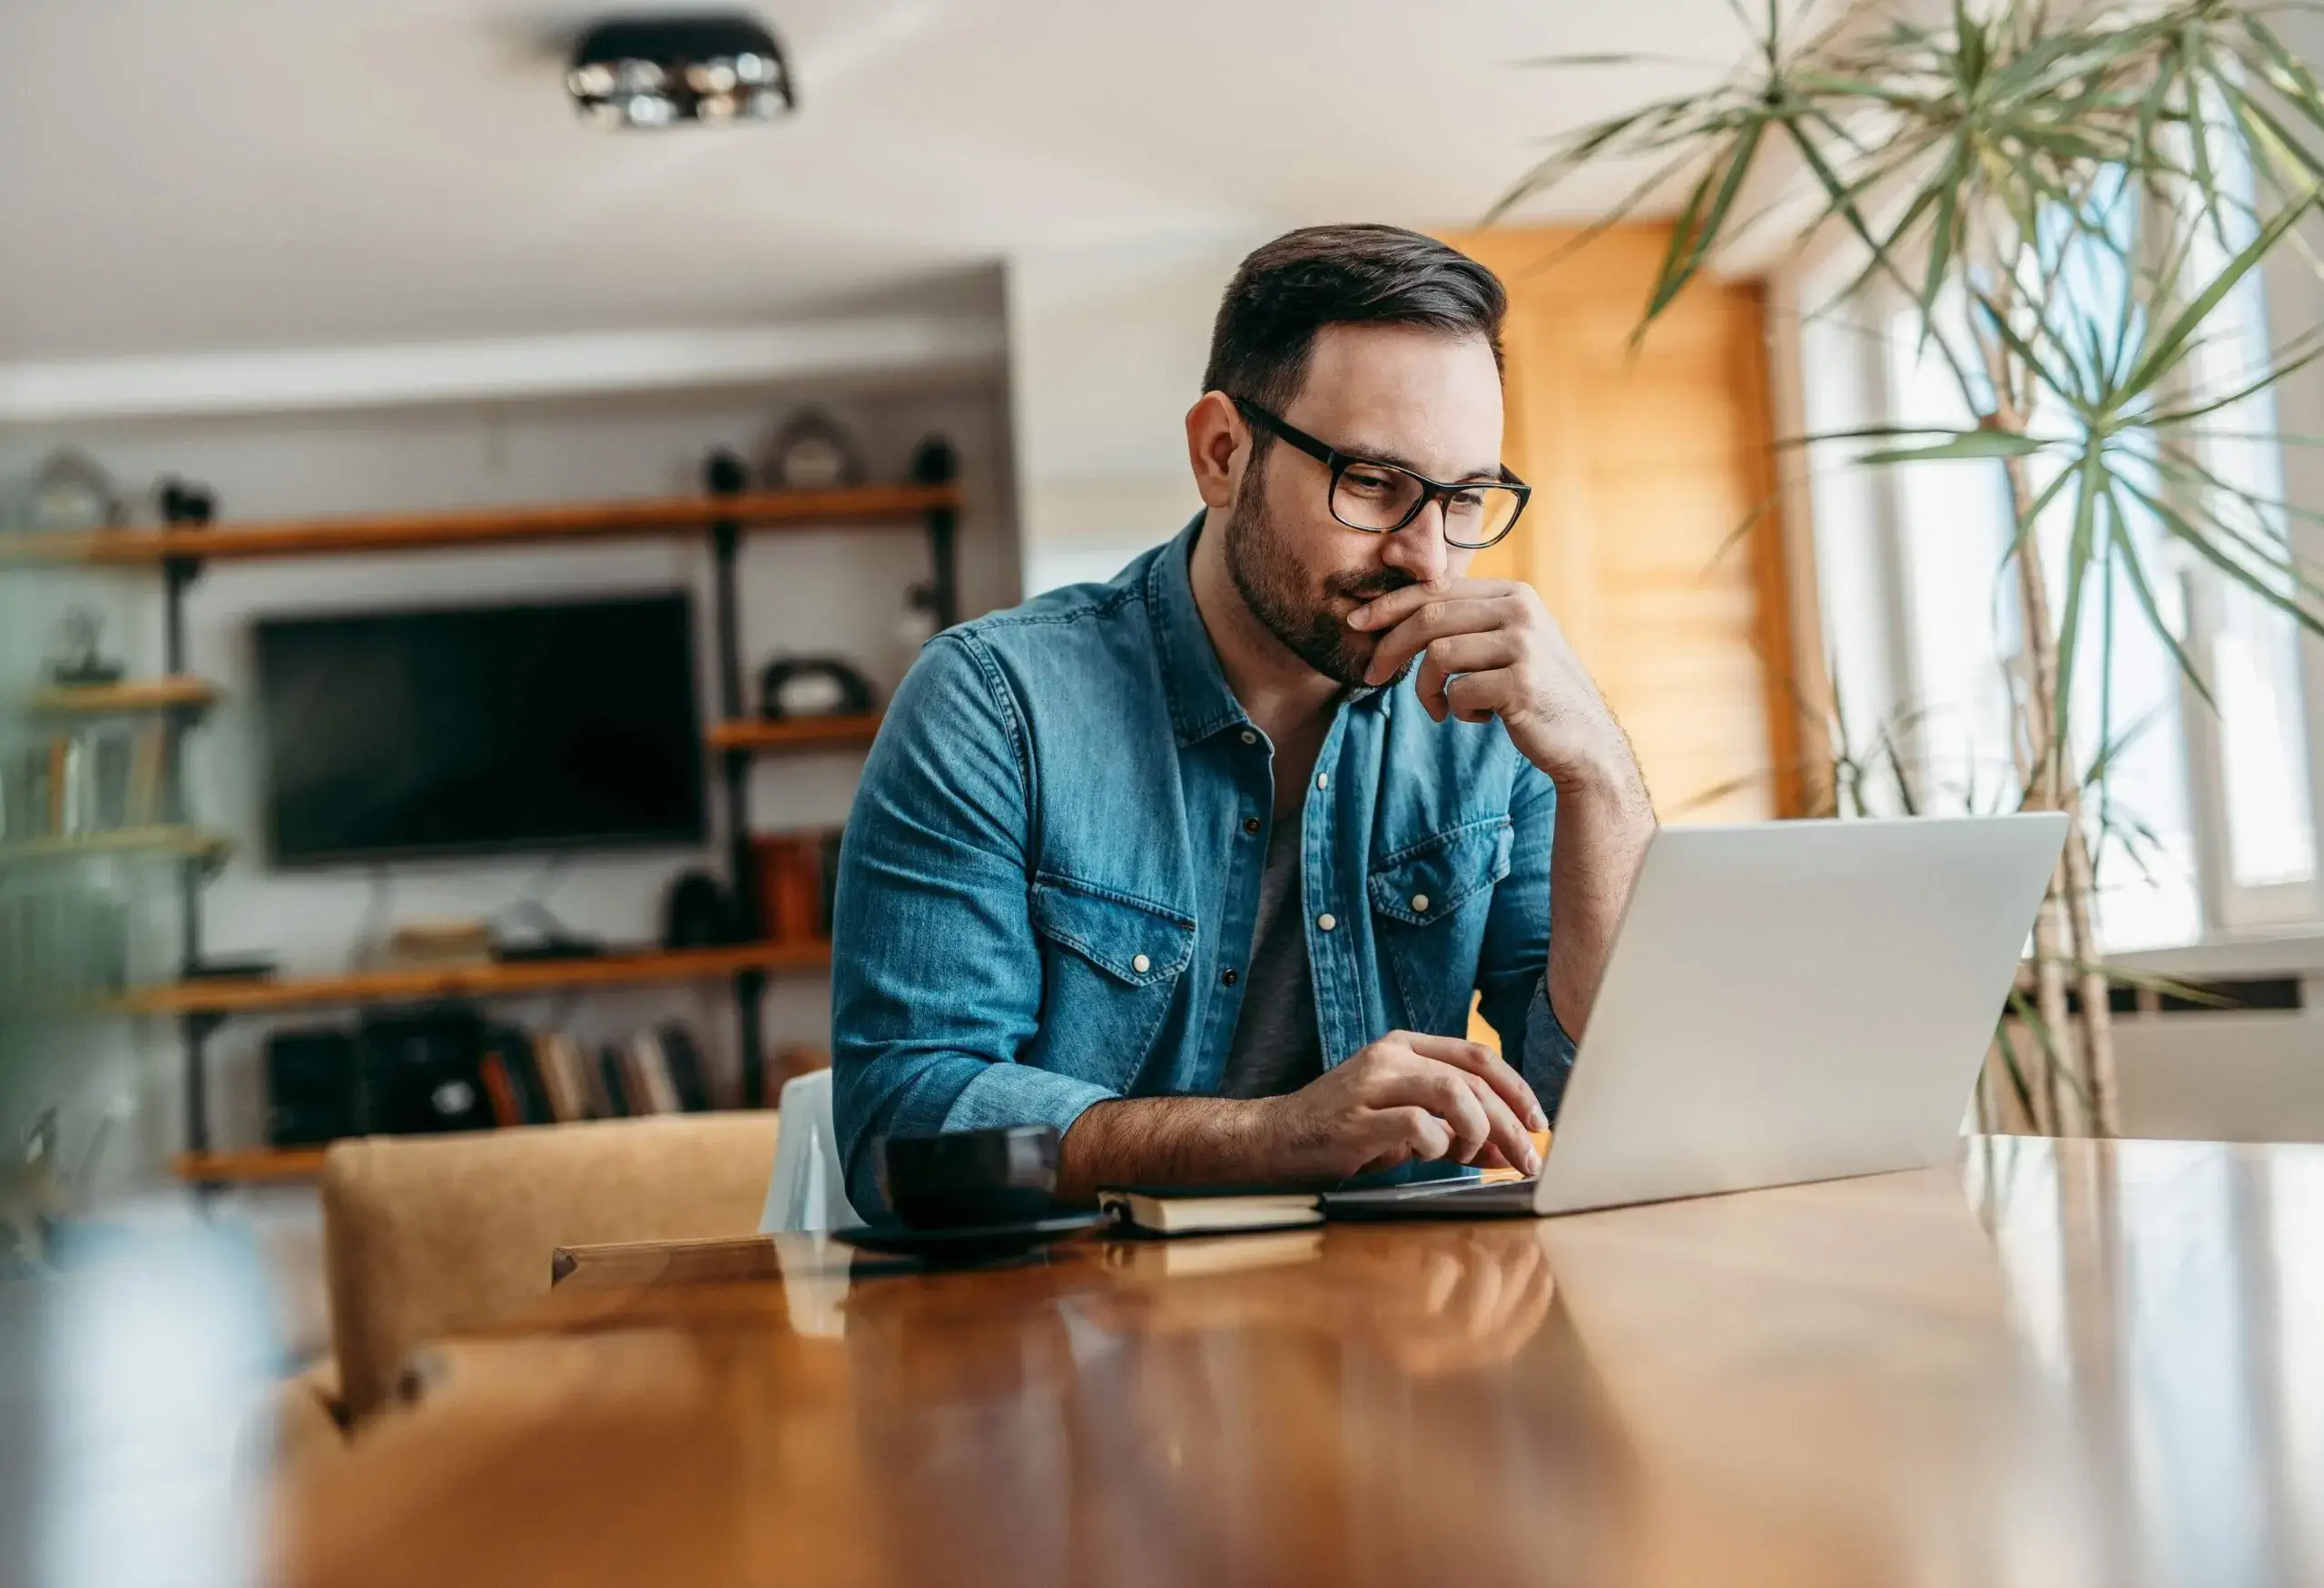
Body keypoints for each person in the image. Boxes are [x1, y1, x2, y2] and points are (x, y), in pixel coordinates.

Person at [831, 223, 1655, 1212]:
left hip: (1410, 1329)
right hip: (1080, 1333)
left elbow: (1617, 1097)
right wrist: (1271, 1138)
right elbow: (902, 1126)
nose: (1428, 558)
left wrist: (1598, 773)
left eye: (1466, 498)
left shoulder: (1494, 718)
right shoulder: (995, 704)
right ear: (1222, 453)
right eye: (1372, 484)